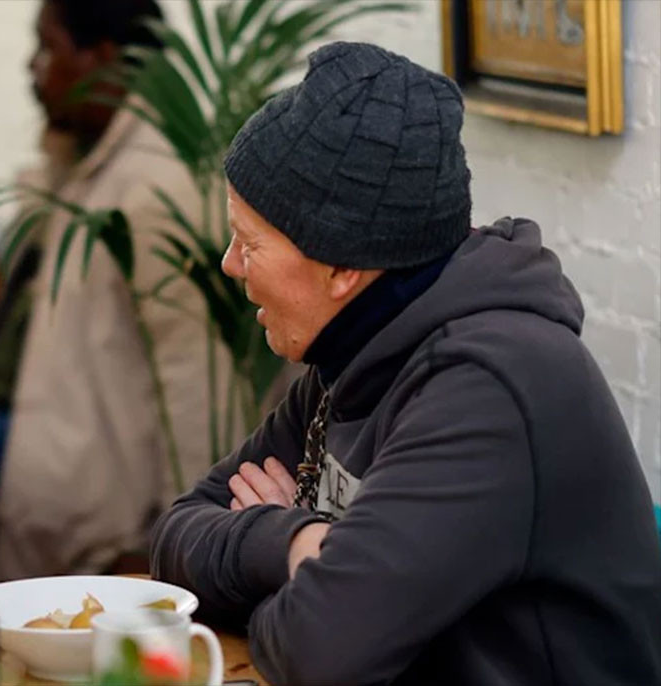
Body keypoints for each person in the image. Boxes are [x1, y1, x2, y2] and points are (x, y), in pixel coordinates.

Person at [150, 42, 661, 684]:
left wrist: (286, 561)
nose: (230, 265)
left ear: (342, 266)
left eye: (249, 243)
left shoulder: (491, 390)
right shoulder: (354, 348)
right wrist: (292, 542)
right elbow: (174, 543)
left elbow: (317, 653)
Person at [0, 0, 241, 580]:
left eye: (48, 47)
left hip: (113, 548)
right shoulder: (93, 158)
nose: (32, 66)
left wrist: (173, 534)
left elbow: (197, 383)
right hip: (63, 527)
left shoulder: (158, 181)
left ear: (103, 59)